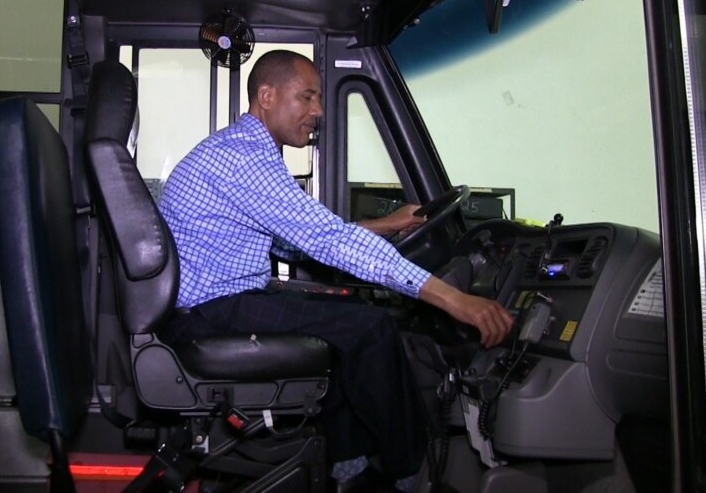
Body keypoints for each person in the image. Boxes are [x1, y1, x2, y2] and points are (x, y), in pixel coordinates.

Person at [158, 50, 513, 492]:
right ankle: (413, 474)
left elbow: (293, 237)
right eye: (306, 97)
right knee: (372, 327)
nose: (318, 111)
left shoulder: (241, 149)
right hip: (210, 312)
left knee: (346, 321)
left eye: (319, 99)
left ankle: (350, 467)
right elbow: (327, 240)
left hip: (214, 304)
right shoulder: (243, 159)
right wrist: (455, 299)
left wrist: (388, 224)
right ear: (266, 96)